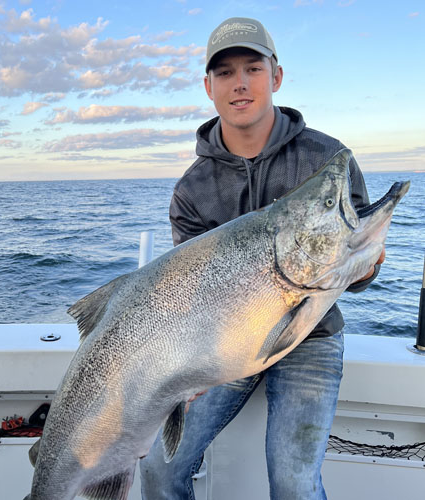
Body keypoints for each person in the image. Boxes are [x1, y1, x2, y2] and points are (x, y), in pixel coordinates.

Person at [140, 17, 384, 500]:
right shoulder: (192, 190)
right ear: (208, 87)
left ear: (276, 76)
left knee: (294, 484)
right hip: (224, 346)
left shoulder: (328, 161)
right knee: (157, 469)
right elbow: (189, 295)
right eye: (226, 73)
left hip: (310, 334)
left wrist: (366, 264)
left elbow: (355, 276)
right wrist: (190, 368)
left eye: (253, 67)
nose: (240, 83)